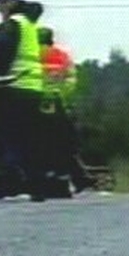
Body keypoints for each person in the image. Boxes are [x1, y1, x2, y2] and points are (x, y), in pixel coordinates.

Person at [0, 0, 45, 201]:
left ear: (11, 2)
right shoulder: (29, 24)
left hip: (12, 87)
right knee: (29, 138)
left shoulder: (11, 25)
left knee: (6, 137)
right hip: (32, 89)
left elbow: (0, 56)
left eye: (1, 3)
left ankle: (8, 182)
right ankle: (36, 185)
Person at [38, 26, 93, 193]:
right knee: (64, 144)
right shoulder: (62, 56)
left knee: (41, 144)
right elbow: (71, 79)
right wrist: (62, 96)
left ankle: (51, 179)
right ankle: (78, 179)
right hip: (59, 103)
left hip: (36, 102)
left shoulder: (33, 55)